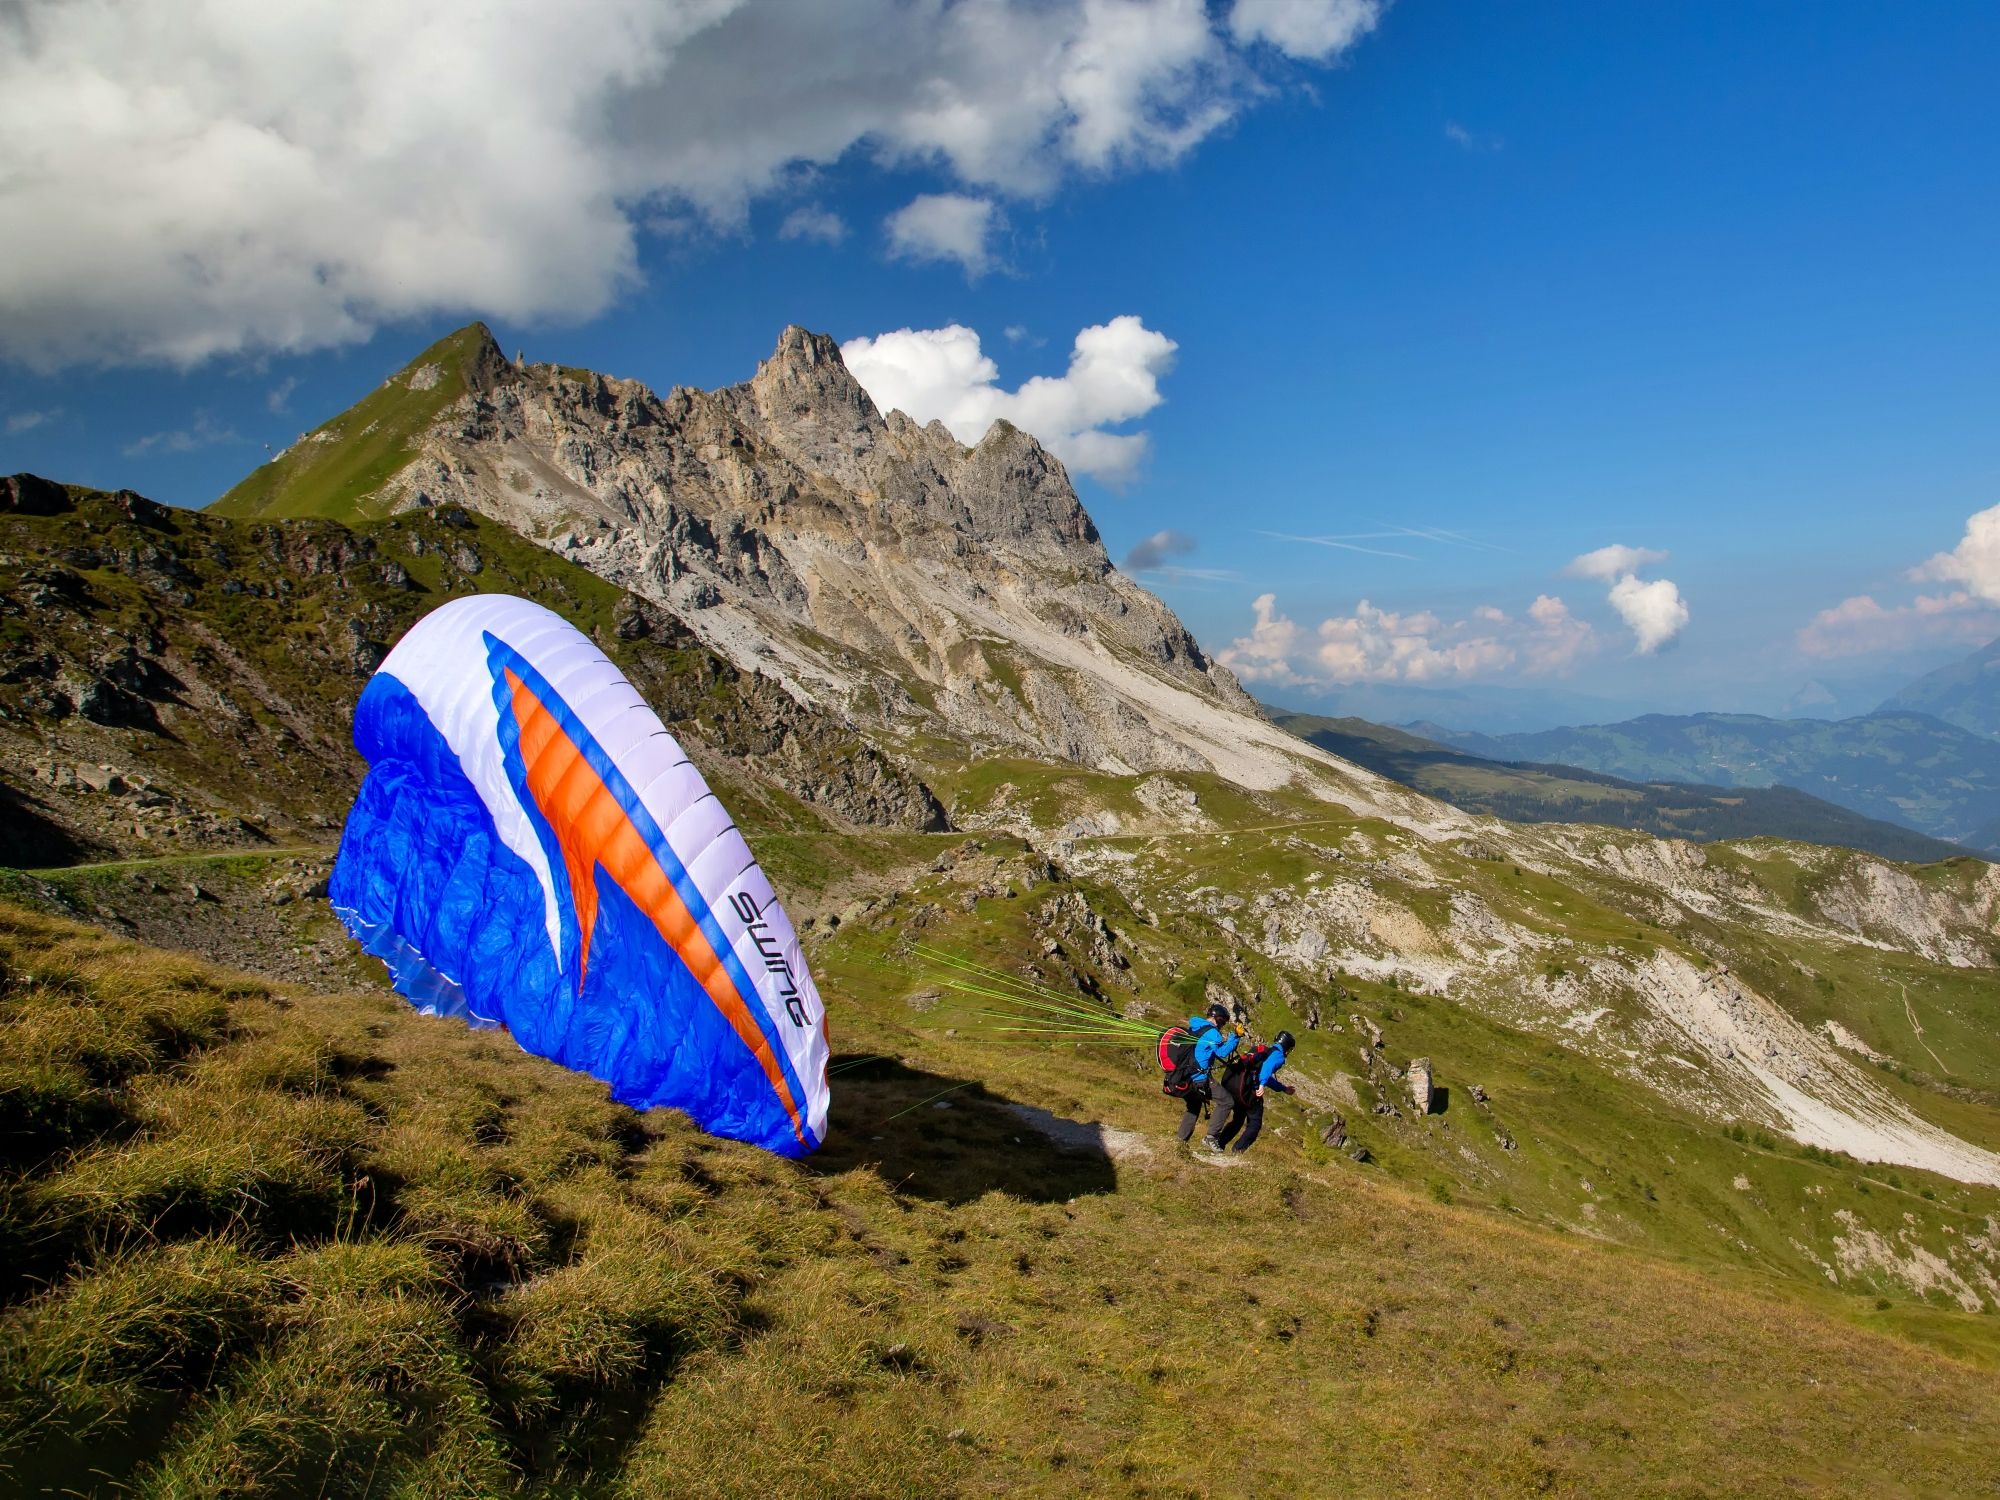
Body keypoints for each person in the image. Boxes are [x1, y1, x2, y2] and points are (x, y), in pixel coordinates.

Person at [1207, 1030, 1296, 1154]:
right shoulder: (1278, 1055)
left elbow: (1258, 1072)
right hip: (1249, 1093)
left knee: (1238, 1120)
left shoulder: (1262, 1050)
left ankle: (1219, 1145)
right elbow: (1266, 1069)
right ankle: (1238, 1150)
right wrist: (1262, 1085)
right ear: (1287, 1047)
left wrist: (1283, 1088)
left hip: (1237, 1088)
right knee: (1255, 1123)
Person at [1174, 1003, 1241, 1143]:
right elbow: (1222, 1052)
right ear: (1219, 1019)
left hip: (1186, 1075)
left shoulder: (1195, 1026)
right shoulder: (1212, 1032)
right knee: (1227, 1101)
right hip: (1199, 1077)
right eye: (1223, 1022)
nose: (1222, 1025)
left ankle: (1180, 1142)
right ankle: (1211, 1137)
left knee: (1193, 1107)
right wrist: (1235, 1036)